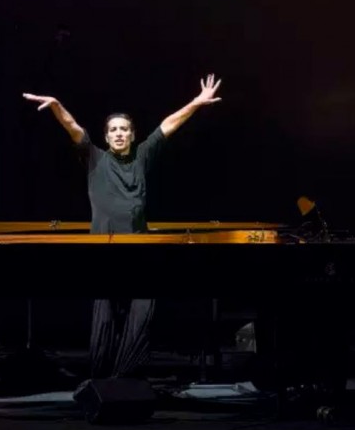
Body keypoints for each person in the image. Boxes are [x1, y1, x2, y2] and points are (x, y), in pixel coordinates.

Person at [23, 74, 222, 378]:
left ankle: (126, 376)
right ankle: (101, 379)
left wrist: (196, 102)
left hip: (139, 251)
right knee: (104, 317)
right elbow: (73, 128)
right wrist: (56, 106)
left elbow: (168, 125)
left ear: (132, 135)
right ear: (106, 137)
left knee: (142, 311)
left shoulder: (142, 156)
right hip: (103, 252)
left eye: (124, 130)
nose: (119, 134)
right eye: (113, 130)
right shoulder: (95, 158)